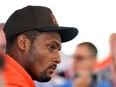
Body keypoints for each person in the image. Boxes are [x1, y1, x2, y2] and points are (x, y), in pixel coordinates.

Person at [2, 5, 78, 87]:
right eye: (51, 47)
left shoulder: (10, 78)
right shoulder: (11, 83)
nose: (58, 59)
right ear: (23, 43)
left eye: (58, 50)